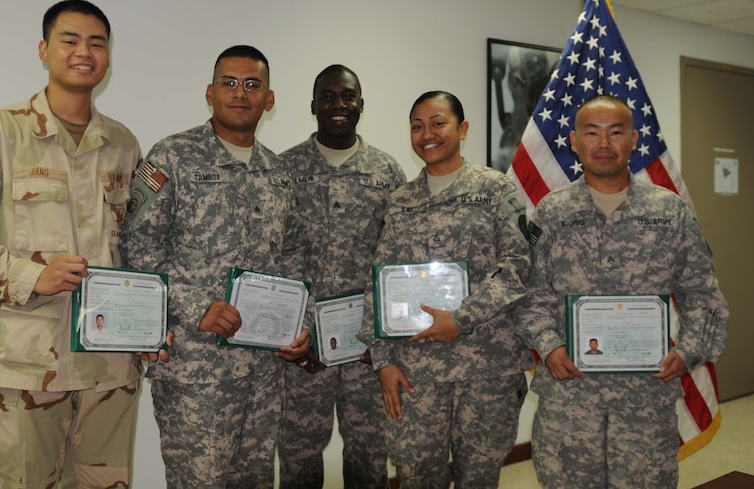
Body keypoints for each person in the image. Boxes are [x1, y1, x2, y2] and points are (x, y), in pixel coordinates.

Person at [0, 0, 142, 488]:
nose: (84, 51)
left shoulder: (124, 144)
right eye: (70, 40)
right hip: (27, 364)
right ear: (45, 50)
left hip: (109, 367)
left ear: (108, 57)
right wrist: (31, 275)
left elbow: (138, 247)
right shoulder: (0, 132)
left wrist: (151, 326)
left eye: (97, 43)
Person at [120, 45, 311, 488]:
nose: (240, 93)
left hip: (264, 371)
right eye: (229, 83)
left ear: (270, 98)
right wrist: (195, 305)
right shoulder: (170, 158)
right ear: (210, 93)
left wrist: (302, 320)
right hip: (196, 369)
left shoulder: (278, 174)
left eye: (252, 84)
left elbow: (294, 258)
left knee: (256, 480)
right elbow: (137, 251)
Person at [516, 94, 729, 488]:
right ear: (573, 141)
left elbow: (704, 294)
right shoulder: (551, 212)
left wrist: (688, 351)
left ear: (634, 140)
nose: (604, 143)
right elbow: (530, 296)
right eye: (592, 132)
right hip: (570, 400)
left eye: (616, 132)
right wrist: (549, 345)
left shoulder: (670, 211)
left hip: (645, 399)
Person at [359, 91, 532, 488]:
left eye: (438, 123)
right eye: (417, 126)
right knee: (416, 475)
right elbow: (379, 280)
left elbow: (517, 268)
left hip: (486, 367)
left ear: (462, 128)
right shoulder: (399, 201)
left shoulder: (495, 190)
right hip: (415, 369)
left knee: (479, 477)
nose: (427, 134)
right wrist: (382, 359)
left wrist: (461, 318)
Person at [277, 64, 406, 488]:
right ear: (313, 105)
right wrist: (296, 328)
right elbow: (269, 256)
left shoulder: (387, 173)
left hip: (365, 349)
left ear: (360, 105)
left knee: (370, 458)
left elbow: (396, 263)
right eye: (328, 96)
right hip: (302, 348)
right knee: (298, 459)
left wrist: (382, 337)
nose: (338, 105)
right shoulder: (281, 170)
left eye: (347, 97)